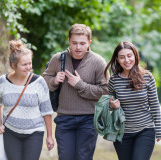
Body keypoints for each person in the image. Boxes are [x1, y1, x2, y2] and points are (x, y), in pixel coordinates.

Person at [43, 24, 108, 160]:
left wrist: (80, 85)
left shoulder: (98, 62)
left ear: (89, 42)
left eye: (82, 43)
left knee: (83, 157)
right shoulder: (58, 58)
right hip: (64, 119)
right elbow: (45, 79)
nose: (78, 47)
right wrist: (54, 81)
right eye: (74, 43)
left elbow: (105, 90)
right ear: (69, 41)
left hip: (88, 120)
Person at [0, 40, 54, 160]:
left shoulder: (39, 82)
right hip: (10, 132)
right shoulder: (2, 81)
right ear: (13, 65)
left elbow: (46, 111)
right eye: (24, 65)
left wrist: (49, 136)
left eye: (30, 63)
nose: (28, 68)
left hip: (34, 132)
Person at [104, 41, 161, 160]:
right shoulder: (114, 80)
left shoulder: (147, 77)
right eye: (122, 57)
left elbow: (154, 104)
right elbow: (109, 104)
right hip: (122, 133)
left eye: (129, 56)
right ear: (118, 59)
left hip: (145, 130)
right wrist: (111, 105)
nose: (126, 60)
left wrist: (158, 129)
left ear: (135, 56)